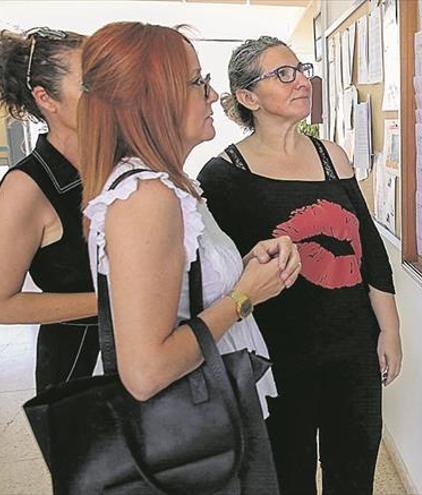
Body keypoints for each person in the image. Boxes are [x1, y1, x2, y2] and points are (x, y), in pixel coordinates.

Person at [197, 36, 402, 494]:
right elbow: (222, 275)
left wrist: (389, 329)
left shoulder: (332, 156)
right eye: (283, 74)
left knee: (353, 472)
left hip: (352, 348)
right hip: (275, 356)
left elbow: (369, 248)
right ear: (248, 97)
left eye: (301, 69)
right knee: (288, 477)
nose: (301, 81)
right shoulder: (224, 174)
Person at [78, 22, 300, 416]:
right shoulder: (146, 198)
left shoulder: (170, 186)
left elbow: (181, 290)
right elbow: (147, 373)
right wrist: (244, 297)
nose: (214, 95)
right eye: (199, 82)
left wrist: (246, 268)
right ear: (154, 101)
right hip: (195, 425)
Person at [0, 27, 99, 392]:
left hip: (151, 356)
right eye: (90, 84)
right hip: (79, 369)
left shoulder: (121, 163)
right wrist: (115, 302)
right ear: (46, 98)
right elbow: (3, 303)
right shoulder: (26, 186)